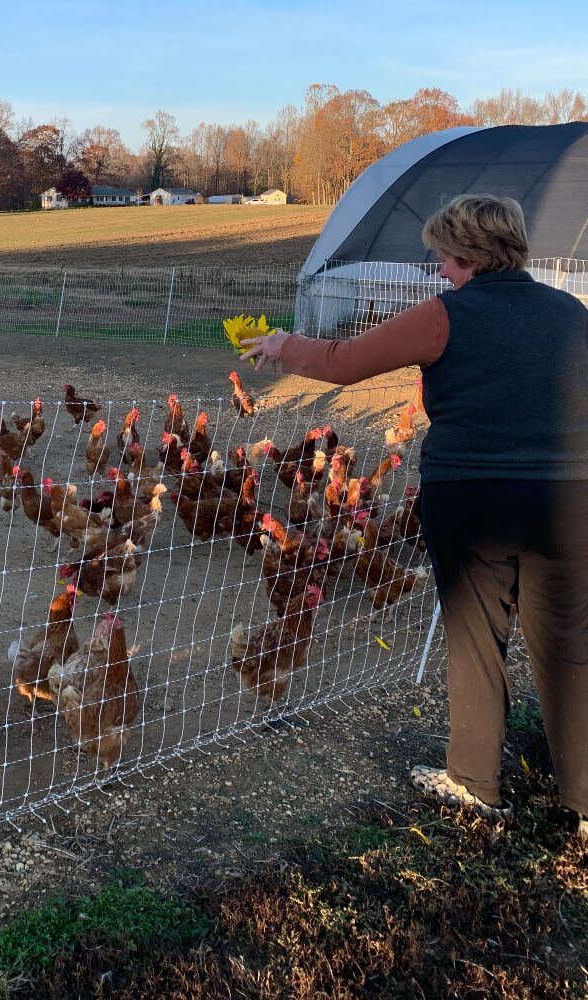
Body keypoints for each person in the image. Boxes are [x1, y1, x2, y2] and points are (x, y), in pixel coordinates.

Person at [240, 194, 587, 836]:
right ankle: (586, 799)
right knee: (569, 648)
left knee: (477, 637)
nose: (436, 264)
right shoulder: (573, 314)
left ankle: (476, 784)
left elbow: (344, 364)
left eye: (441, 253)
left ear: (466, 254)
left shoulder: (444, 316)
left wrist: (286, 345)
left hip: (473, 495)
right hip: (569, 500)